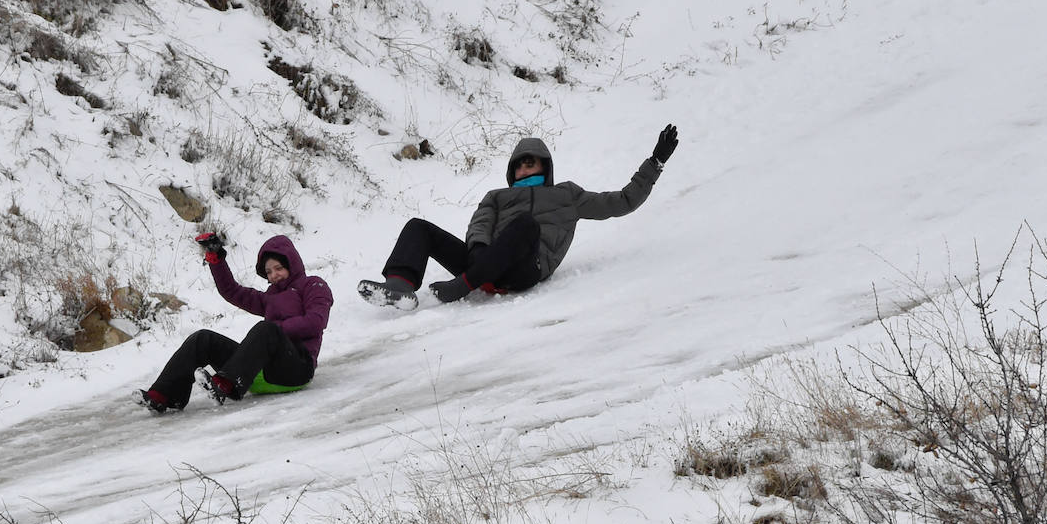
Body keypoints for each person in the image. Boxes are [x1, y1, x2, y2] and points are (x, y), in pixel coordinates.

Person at [358, 124, 679, 309]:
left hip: (526, 269)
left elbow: (622, 201)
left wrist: (656, 162)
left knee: (525, 226)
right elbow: (480, 224)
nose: (526, 167)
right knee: (419, 228)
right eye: (521, 163)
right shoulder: (498, 196)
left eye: (532, 162)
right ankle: (399, 286)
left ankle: (463, 286)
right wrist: (479, 251)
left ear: (544, 166)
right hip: (486, 263)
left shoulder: (566, 195)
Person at [137, 233, 333, 412]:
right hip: (263, 369)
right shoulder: (269, 297)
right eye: (269, 271)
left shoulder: (313, 285)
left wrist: (277, 331)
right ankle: (164, 395)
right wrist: (216, 258)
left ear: (292, 264)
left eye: (279, 268)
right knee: (202, 339)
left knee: (266, 329)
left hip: (296, 369)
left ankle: (225, 384)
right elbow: (232, 291)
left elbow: (315, 322)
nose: (274, 275)